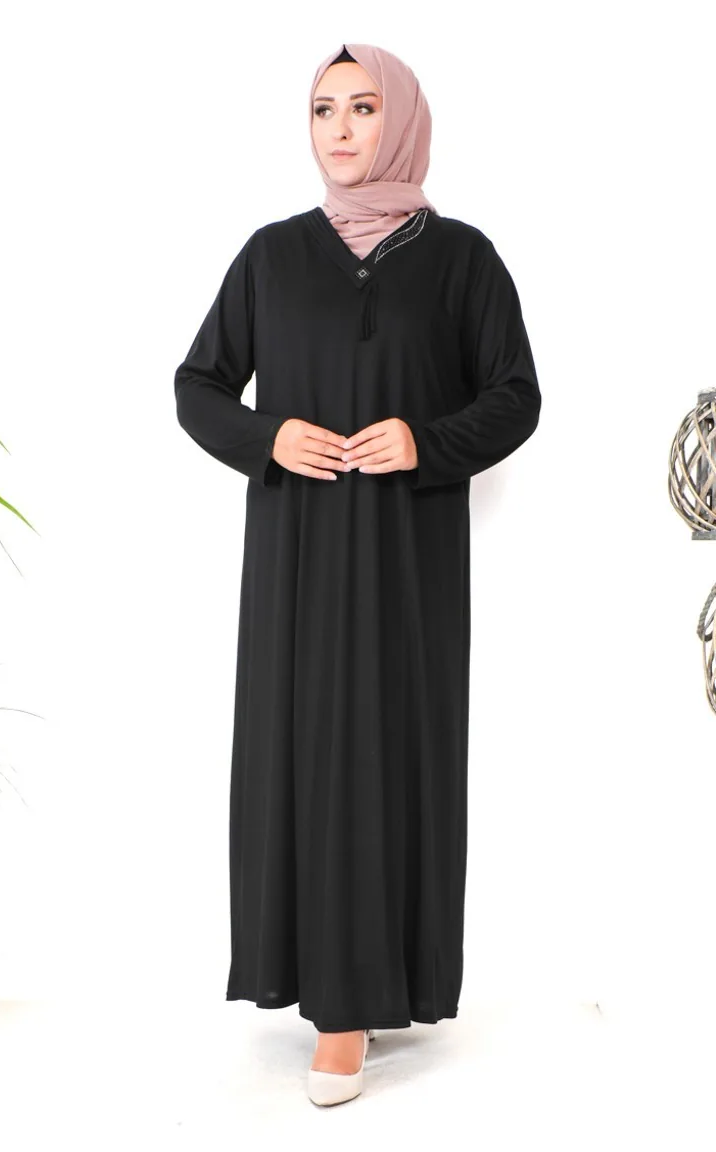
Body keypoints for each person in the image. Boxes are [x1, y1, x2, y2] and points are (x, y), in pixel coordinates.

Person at [174, 42, 541, 1106]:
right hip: (295, 560)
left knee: (393, 755)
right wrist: (269, 437)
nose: (340, 128)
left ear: (403, 120)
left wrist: (424, 442)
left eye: (363, 107)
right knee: (304, 754)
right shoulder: (271, 256)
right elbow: (197, 385)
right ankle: (334, 1004)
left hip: (407, 561)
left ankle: (375, 986)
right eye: (323, 109)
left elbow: (514, 396)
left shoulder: (461, 259)